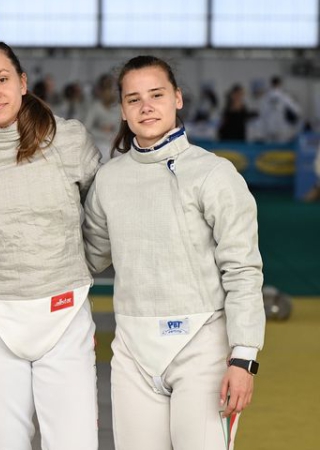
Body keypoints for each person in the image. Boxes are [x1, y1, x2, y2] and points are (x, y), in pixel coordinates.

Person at [83, 55, 265, 450]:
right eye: (134, 99)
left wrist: (243, 358)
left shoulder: (213, 174)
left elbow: (243, 269)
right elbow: (87, 258)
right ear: (122, 110)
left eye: (157, 95)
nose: (146, 106)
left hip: (203, 347)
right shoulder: (109, 179)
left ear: (177, 98)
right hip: (132, 350)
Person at [0, 40, 101, 450]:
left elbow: (103, 214)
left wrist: (76, 263)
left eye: (2, 79)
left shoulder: (69, 139)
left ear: (22, 82)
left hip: (65, 314)